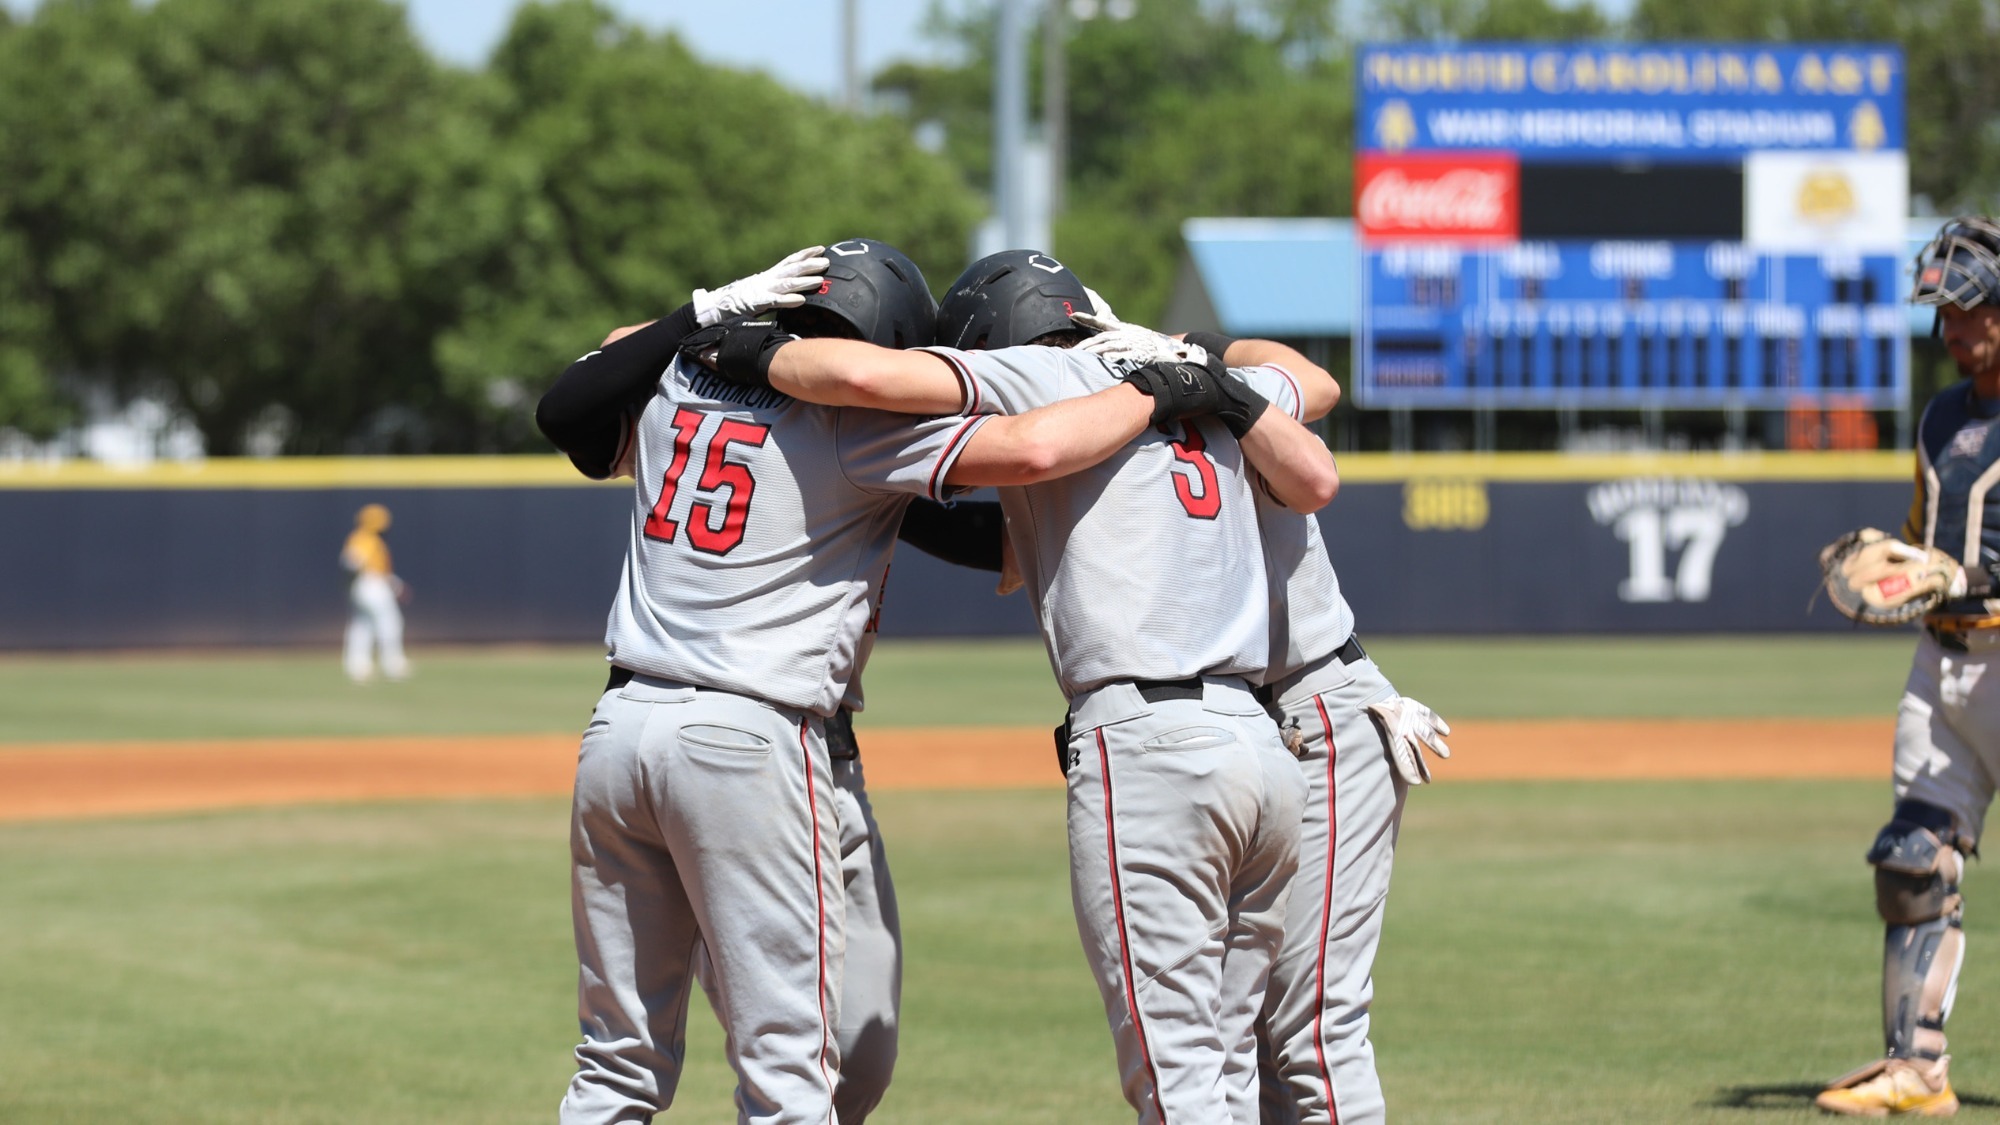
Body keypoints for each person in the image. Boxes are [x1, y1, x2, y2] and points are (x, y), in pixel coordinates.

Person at [535, 239, 1219, 1125]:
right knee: (791, 1071)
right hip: (752, 741)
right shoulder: (861, 425)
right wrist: (1158, 383)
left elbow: (576, 399)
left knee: (617, 1067)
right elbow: (1024, 454)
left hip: (621, 730)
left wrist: (696, 317)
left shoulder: (677, 382)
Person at [692, 248, 1341, 1122]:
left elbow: (874, 381)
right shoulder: (1210, 389)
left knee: (1179, 1075)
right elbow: (1314, 409)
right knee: (1228, 1059)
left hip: (1154, 750)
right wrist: (1198, 355)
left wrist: (739, 347)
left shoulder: (1040, 372)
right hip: (1263, 751)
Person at [903, 290, 1453, 1125]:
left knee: (1303, 1033)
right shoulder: (1154, 416)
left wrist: (1199, 350)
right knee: (1237, 1042)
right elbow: (1017, 541)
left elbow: (1316, 383)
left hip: (1316, 707)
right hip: (1258, 728)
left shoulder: (1159, 400)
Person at [1814, 216, 2000, 1117]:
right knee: (1910, 859)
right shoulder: (1939, 415)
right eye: (1945, 319)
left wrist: (1969, 576)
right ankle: (1916, 1070)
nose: (1953, 333)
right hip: (1946, 665)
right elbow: (1928, 541)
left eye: (1968, 314)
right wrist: (1911, 567)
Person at [340, 502, 409, 683]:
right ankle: (392, 663)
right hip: (370, 584)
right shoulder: (365, 538)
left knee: (362, 624)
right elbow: (351, 562)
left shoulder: (364, 538)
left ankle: (358, 665)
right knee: (390, 622)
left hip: (364, 584)